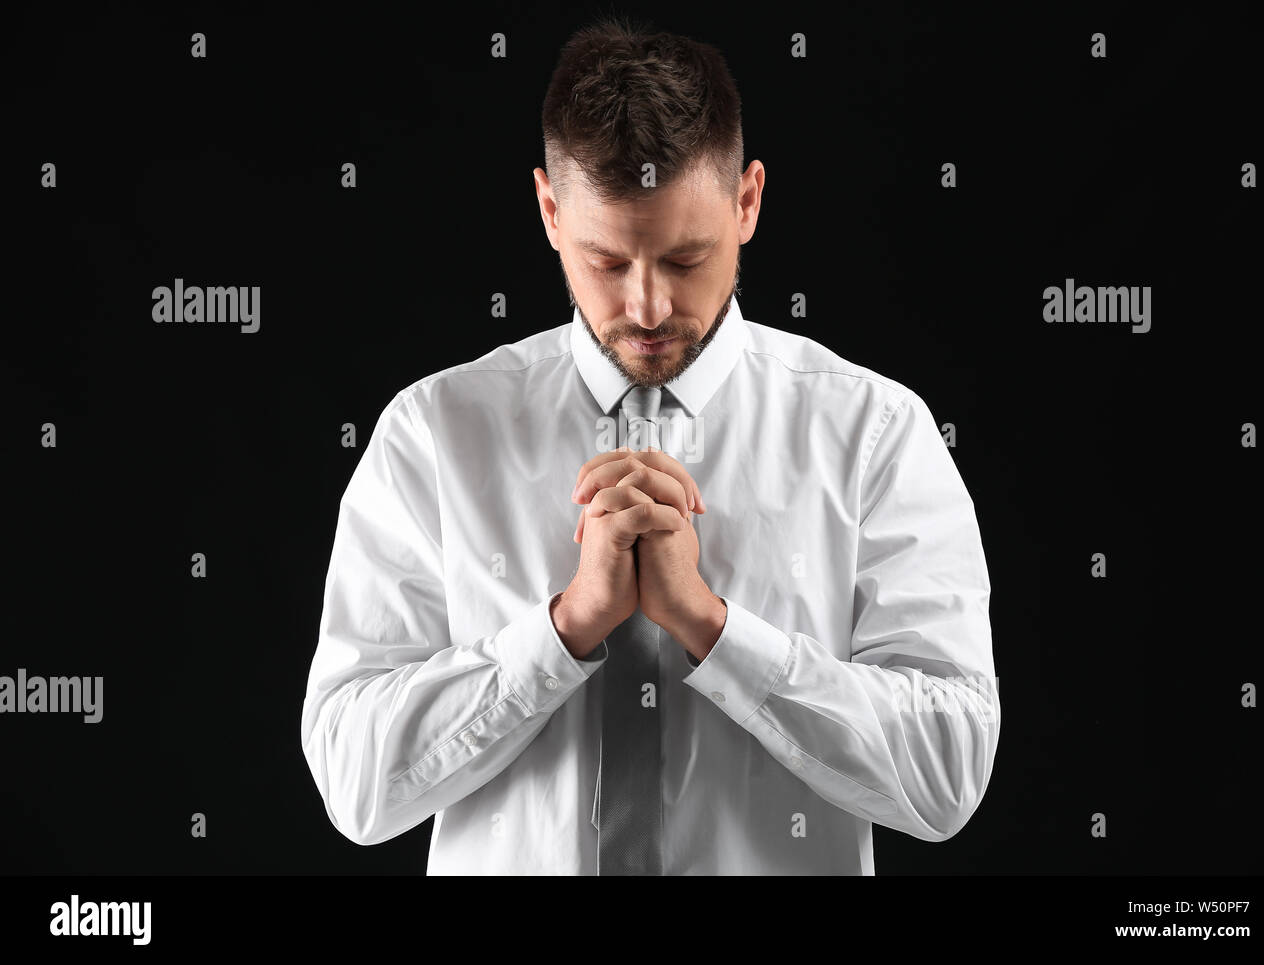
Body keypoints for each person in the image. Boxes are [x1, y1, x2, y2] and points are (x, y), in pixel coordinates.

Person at [300, 16, 1000, 875]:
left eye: (684, 258)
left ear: (747, 202)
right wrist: (564, 629)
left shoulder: (873, 434)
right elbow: (354, 783)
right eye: (606, 260)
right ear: (550, 212)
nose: (646, 309)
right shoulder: (434, 434)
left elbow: (948, 773)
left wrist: (712, 629)